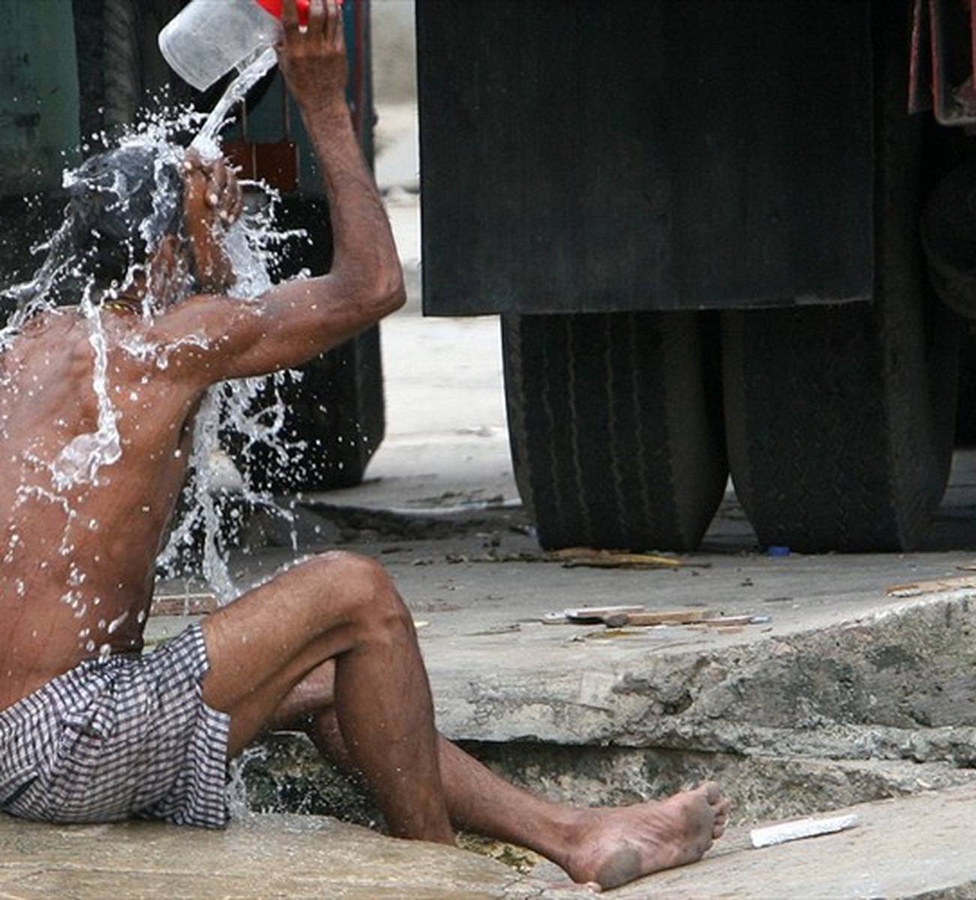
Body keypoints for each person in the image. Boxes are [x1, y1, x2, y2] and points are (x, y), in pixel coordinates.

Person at [0, 0, 728, 891]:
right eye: (205, 223)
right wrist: (323, 106)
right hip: (65, 743)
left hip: (12, 739)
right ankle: (440, 877)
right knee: (359, 594)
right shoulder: (158, 345)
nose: (226, 233)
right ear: (156, 261)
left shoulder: (25, 349)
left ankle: (572, 834)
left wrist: (205, 244)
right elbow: (372, 284)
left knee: (327, 674)